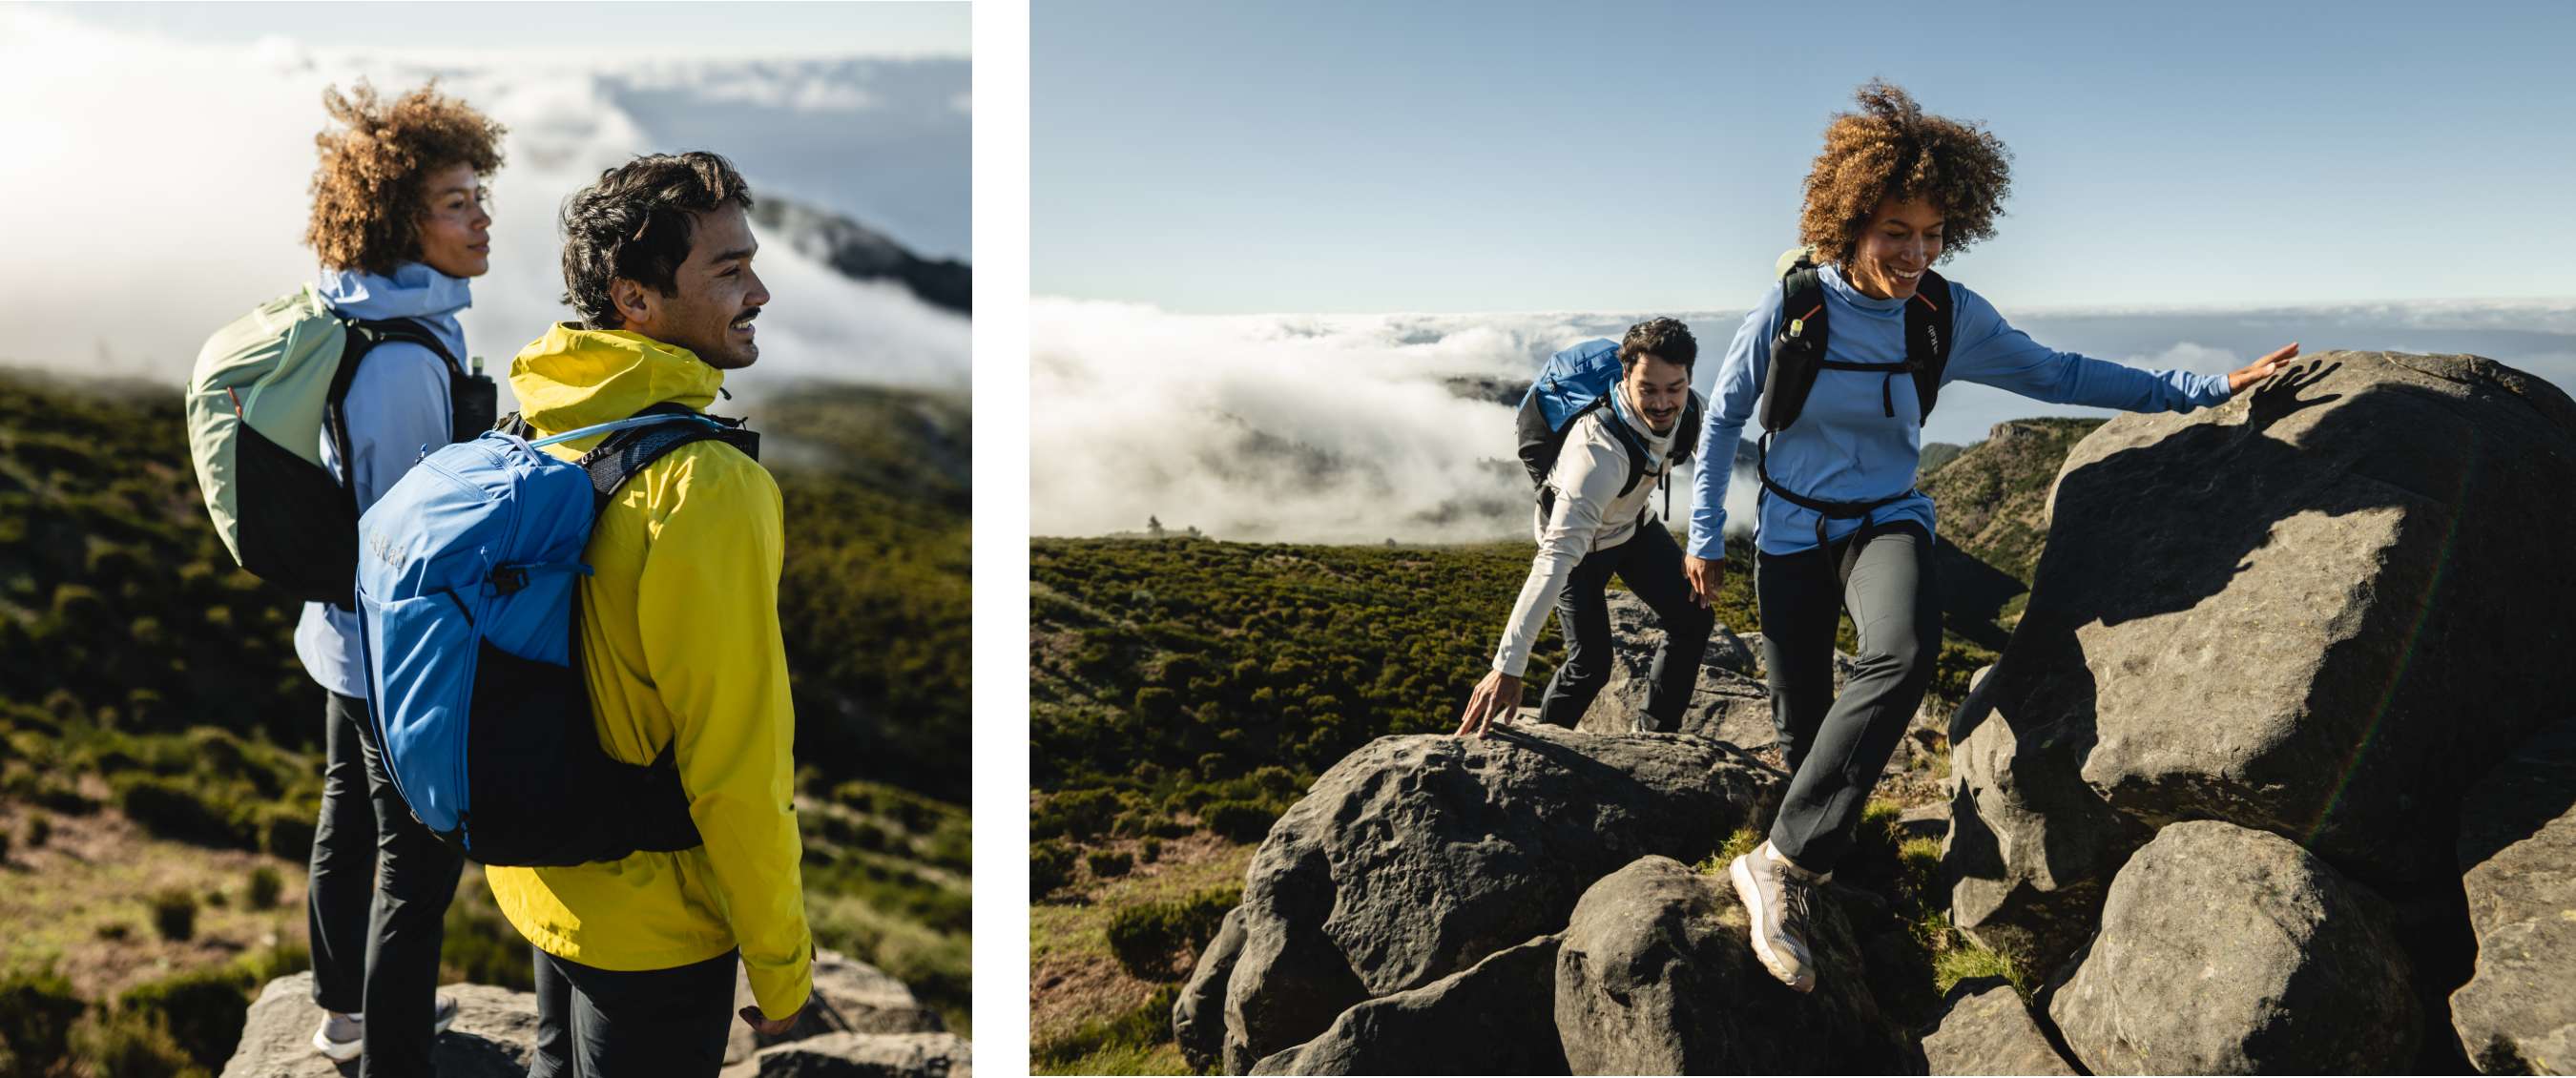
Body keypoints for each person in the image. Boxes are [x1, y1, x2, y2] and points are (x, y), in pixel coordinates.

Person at [1683, 80, 2301, 993]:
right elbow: (1723, 420)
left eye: (1932, 234)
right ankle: (1834, 856)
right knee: (1802, 720)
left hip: (1886, 520)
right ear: (1848, 222)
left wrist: (2205, 389)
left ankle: (1781, 868)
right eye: (1897, 230)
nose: (1915, 252)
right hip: (1787, 534)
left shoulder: (1944, 314)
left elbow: (2058, 374)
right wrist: (1702, 533)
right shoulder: (1792, 312)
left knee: (1899, 656)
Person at [483, 151, 812, 1077]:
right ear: (635, 299)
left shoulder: (542, 417)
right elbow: (735, 759)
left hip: (545, 868)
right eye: (728, 270)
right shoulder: (706, 484)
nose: (761, 291)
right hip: (656, 914)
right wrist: (781, 962)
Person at [295, 81, 504, 1073]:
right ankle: (393, 1053)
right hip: (386, 644)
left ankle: (343, 1010)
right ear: (398, 218)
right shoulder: (402, 356)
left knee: (346, 812)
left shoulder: (368, 310)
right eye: (457, 202)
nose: (481, 217)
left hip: (336, 628)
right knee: (418, 863)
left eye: (478, 195)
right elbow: (407, 544)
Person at [1455, 318, 1714, 736]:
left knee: (1693, 618)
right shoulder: (1597, 454)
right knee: (1590, 666)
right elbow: (1555, 558)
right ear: (1626, 376)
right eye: (1648, 388)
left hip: (1632, 525)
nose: (1663, 403)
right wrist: (1507, 666)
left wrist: (1706, 542)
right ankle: (1543, 749)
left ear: (1687, 378)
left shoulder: (1692, 411)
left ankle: (1656, 734)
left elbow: (1715, 465)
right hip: (1581, 550)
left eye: (1675, 388)